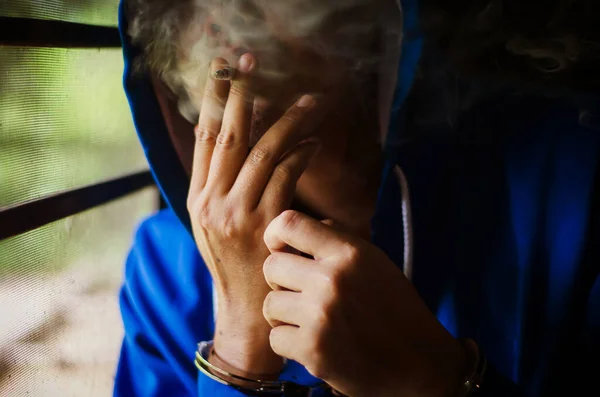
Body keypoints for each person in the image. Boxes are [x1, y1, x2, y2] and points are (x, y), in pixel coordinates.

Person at [114, 0, 600, 396]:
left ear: (372, 17)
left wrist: (434, 382)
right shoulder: (161, 268)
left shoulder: (571, 180)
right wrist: (238, 352)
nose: (221, 16)